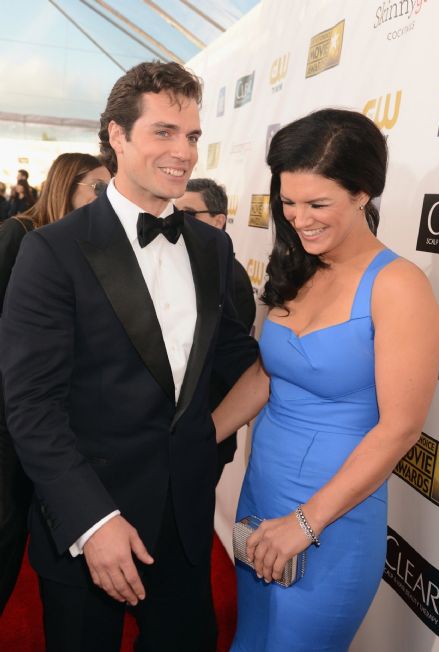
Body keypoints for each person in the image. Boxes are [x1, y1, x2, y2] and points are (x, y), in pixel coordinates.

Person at [0, 61, 258, 652]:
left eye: (192, 136)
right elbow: (32, 406)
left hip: (186, 525)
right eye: (163, 132)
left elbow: (238, 361)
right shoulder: (51, 249)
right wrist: (92, 521)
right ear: (117, 136)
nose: (184, 153)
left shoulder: (213, 248)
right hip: (90, 523)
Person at [213, 108, 439, 651]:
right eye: (288, 202)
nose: (299, 218)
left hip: (331, 519)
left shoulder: (399, 286)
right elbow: (267, 375)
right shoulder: (299, 267)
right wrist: (198, 433)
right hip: (260, 495)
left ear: (363, 193)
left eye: (318, 204)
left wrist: (305, 523)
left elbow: (401, 430)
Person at [0, 152, 111, 615]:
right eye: (98, 189)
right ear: (67, 185)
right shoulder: (18, 234)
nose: (107, 200)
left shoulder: (94, 247)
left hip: (60, 420)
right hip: (10, 416)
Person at [175, 177, 256, 482]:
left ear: (219, 221)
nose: (178, 223)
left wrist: (206, 431)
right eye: (174, 212)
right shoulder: (182, 265)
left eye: (189, 214)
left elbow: (230, 361)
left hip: (206, 429)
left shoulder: (231, 278)